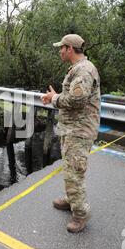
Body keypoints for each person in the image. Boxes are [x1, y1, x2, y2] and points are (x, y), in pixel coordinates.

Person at [41, 34, 101, 233]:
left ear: (69, 49)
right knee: (70, 169)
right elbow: (74, 96)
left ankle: (80, 215)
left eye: (61, 48)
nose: (59, 51)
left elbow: (77, 101)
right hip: (73, 128)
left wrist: (54, 98)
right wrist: (55, 97)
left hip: (80, 130)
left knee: (74, 172)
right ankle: (71, 200)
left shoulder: (84, 70)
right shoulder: (79, 68)